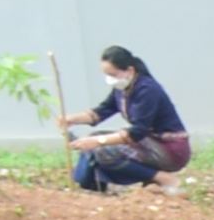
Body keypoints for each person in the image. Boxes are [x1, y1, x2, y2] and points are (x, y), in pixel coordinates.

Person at [61, 46, 190, 191]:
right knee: (95, 138)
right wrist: (73, 119)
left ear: (130, 70)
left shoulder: (147, 90)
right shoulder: (122, 89)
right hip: (148, 143)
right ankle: (91, 183)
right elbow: (103, 111)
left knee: (104, 150)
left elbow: (137, 132)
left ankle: (162, 178)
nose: (110, 80)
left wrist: (98, 142)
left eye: (113, 75)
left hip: (168, 148)